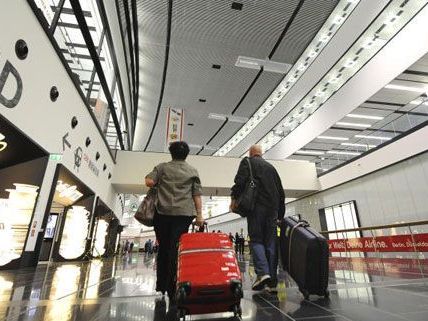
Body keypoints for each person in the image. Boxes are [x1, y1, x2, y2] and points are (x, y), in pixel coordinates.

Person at [145, 141, 204, 305]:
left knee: (163, 247)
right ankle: (174, 286)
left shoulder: (162, 167)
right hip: (184, 214)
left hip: (162, 213)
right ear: (186, 154)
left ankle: (161, 285)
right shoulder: (192, 170)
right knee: (176, 249)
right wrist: (199, 215)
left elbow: (149, 181)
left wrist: (159, 183)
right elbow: (197, 195)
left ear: (171, 153)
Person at [230, 145, 285, 292]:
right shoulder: (272, 168)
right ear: (261, 153)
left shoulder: (247, 162)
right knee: (271, 244)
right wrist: (280, 215)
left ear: (250, 153)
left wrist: (234, 198)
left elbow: (240, 182)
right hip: (272, 210)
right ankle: (272, 283)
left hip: (256, 208)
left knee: (256, 240)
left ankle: (262, 273)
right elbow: (281, 192)